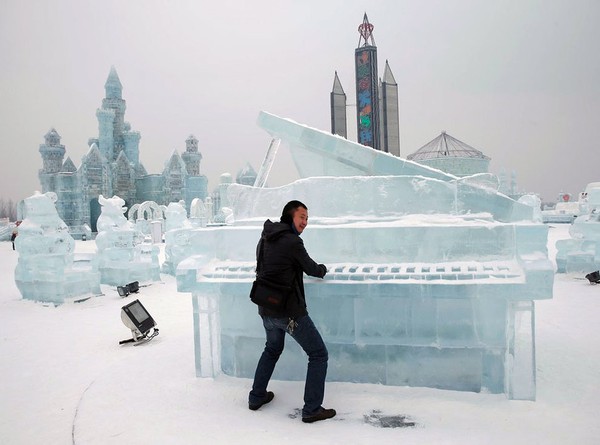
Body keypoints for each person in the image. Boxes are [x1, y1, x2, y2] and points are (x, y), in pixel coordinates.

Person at [248, 200, 336, 423]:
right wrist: (324, 269)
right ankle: (312, 409)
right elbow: (312, 269)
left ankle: (256, 396)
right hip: (288, 312)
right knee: (318, 354)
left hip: (265, 308)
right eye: (302, 217)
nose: (305, 222)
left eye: (307, 218)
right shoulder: (293, 242)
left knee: (272, 349)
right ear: (290, 217)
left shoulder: (266, 237)